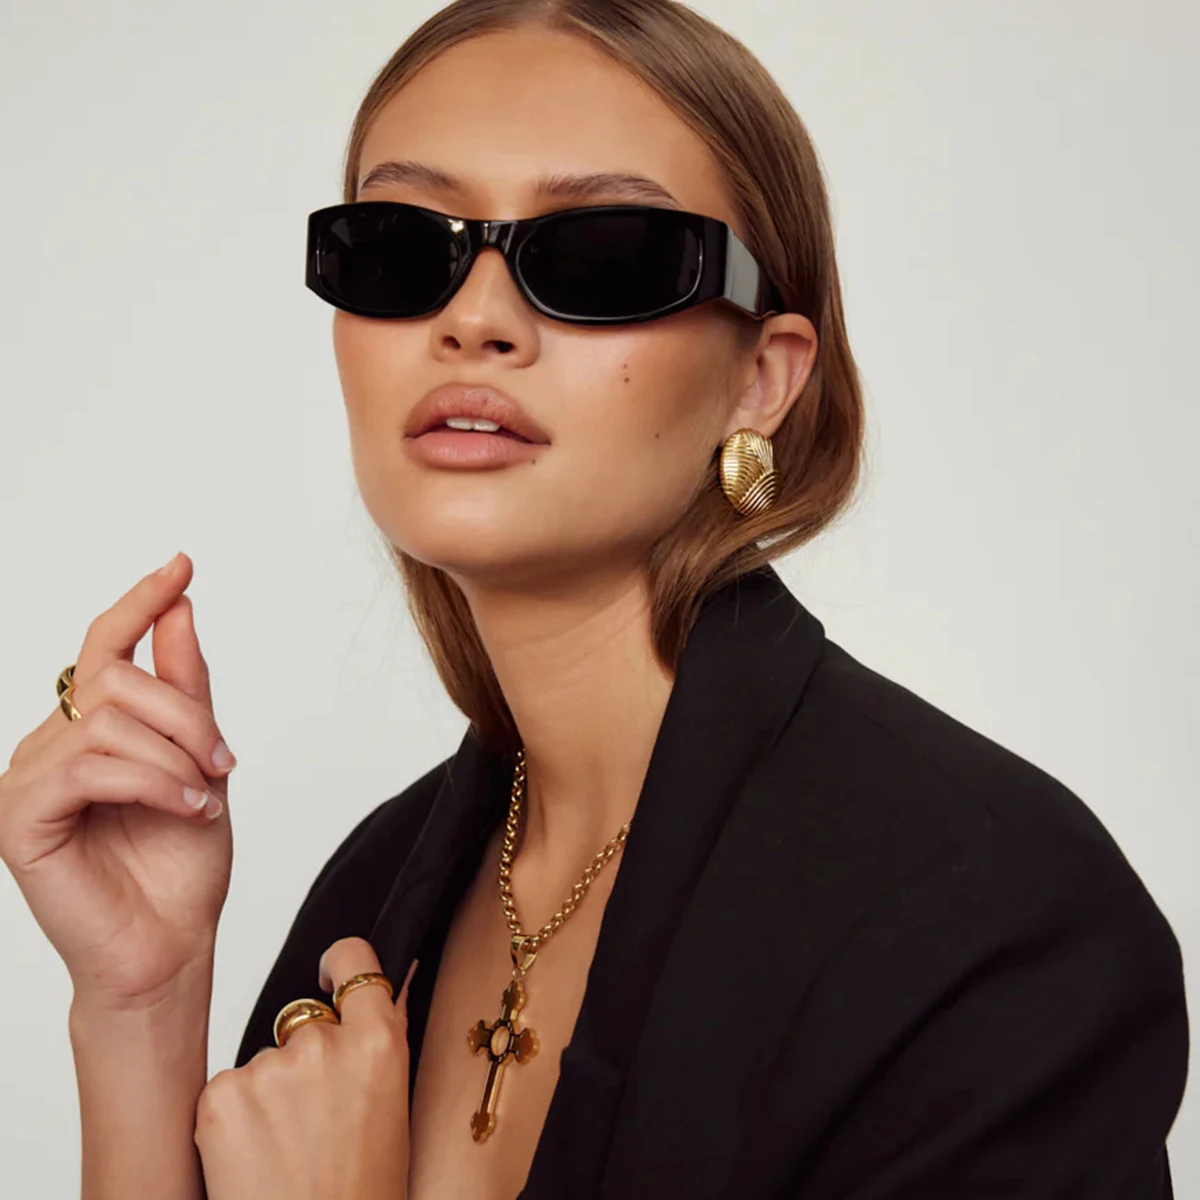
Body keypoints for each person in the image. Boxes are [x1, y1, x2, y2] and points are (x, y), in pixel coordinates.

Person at [1, 2, 1188, 1198]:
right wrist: (141, 1005)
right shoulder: (379, 888)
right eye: (401, 247)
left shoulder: (992, 924)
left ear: (762, 379)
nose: (473, 320)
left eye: (603, 257)